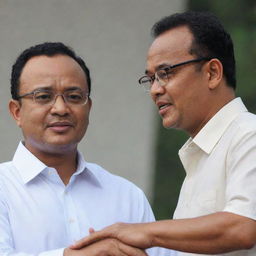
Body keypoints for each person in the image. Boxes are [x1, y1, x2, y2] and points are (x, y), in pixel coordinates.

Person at [70, 11, 256, 256]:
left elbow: (243, 227)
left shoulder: (248, 134)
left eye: (166, 73)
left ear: (212, 73)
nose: (155, 90)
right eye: (150, 78)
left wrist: (146, 232)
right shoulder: (200, 155)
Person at [0, 42, 172, 256]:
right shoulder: (4, 189)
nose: (61, 108)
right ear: (16, 111)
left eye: (74, 97)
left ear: (88, 107)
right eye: (43, 97)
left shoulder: (127, 196)